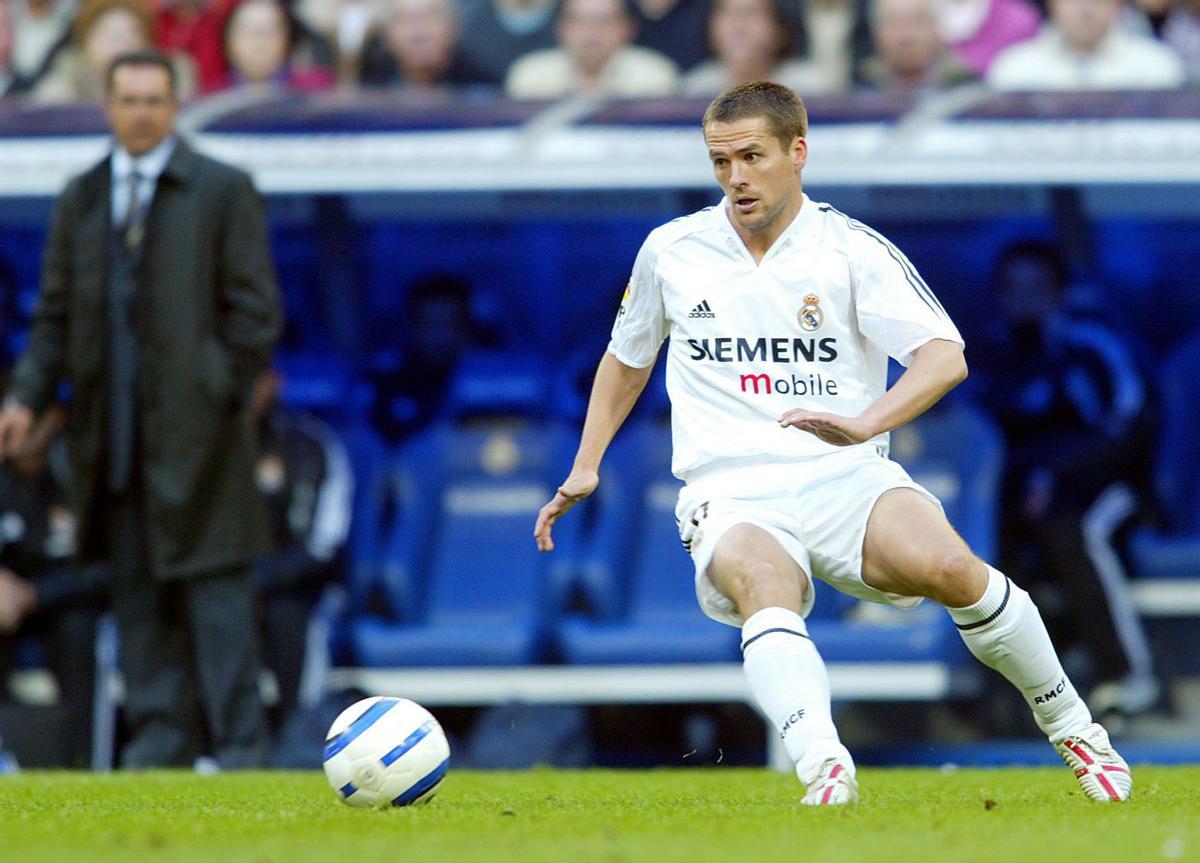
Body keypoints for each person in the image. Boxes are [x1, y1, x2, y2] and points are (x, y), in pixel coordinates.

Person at [534, 81, 1132, 805]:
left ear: (798, 152)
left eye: (752, 157)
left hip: (845, 474)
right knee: (764, 583)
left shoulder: (850, 249)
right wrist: (587, 464)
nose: (736, 177)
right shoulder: (672, 250)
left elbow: (945, 356)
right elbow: (626, 360)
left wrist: (868, 421)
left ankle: (1077, 730)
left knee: (951, 566)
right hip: (731, 488)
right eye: (721, 162)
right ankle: (825, 767)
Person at [0, 49, 282, 768]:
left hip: (206, 444)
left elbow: (256, 313)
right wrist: (27, 396)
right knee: (138, 603)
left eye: (155, 99)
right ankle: (158, 745)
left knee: (220, 609)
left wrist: (215, 386)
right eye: (129, 99)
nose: (142, 112)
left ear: (175, 105)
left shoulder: (223, 188)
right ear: (109, 105)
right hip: (115, 441)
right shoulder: (84, 195)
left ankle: (242, 750)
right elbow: (54, 316)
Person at [982, 241, 1159, 717]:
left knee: (1075, 529)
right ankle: (1004, 688)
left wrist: (1056, 474)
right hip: (1023, 498)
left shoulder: (1091, 347)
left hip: (1108, 488)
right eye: (1013, 288)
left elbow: (1131, 422)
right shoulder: (993, 356)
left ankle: (1125, 676)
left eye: (1036, 286)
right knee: (984, 536)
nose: (1024, 298)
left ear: (1059, 291)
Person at [247, 369, 352, 737]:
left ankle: (300, 739)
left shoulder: (310, 445)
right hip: (227, 588)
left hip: (298, 588)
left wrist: (258, 580)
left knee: (287, 615)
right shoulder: (208, 446)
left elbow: (325, 546)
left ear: (273, 381)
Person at [0, 404, 106, 769]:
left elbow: (105, 568)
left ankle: (82, 759)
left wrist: (35, 595)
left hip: (60, 600)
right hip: (4, 604)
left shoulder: (78, 473)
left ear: (55, 420)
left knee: (79, 629)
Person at [986, 0, 1185, 90]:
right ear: (1052, 4)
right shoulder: (1013, 70)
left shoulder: (1158, 68)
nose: (1086, 9)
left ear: (1118, 4)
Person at [505, 0, 678, 99]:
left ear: (627, 28)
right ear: (561, 28)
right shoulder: (530, 76)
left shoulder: (655, 76)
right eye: (581, 20)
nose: (592, 32)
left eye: (604, 21)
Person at [682, 0, 838, 97]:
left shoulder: (810, 88)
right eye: (727, 12)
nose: (738, 24)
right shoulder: (696, 90)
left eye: (752, 12)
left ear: (780, 29)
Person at [358, 0, 488, 90]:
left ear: (453, 28)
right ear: (386, 35)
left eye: (430, 17)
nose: (418, 32)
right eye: (405, 19)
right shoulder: (365, 85)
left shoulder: (483, 87)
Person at [859, 0, 976, 90]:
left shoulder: (970, 96)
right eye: (893, 23)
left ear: (938, 29)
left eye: (918, 21)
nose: (906, 37)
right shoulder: (856, 98)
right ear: (875, 33)